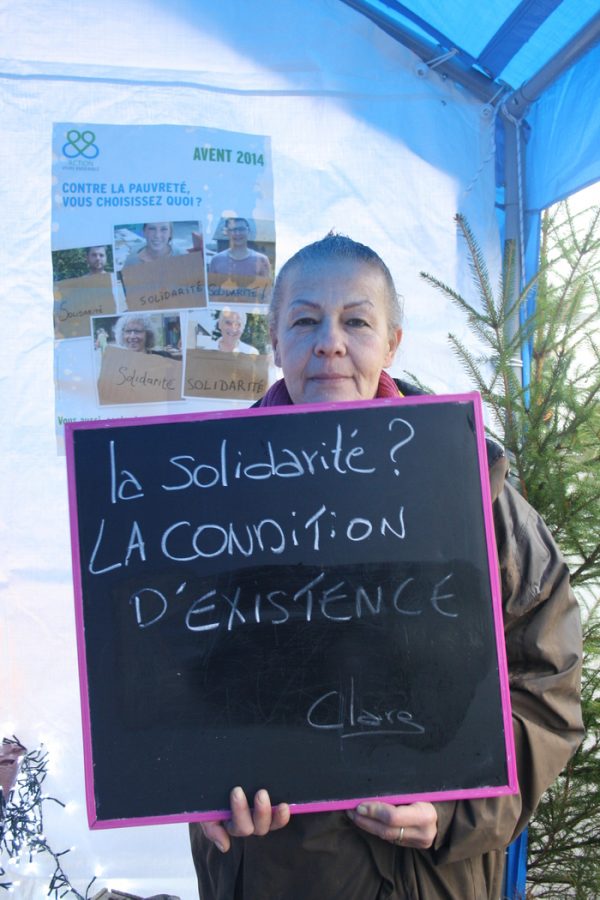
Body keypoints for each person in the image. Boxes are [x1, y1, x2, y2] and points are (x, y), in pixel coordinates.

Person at [189, 233, 583, 899]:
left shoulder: (471, 486)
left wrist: (462, 808)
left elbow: (548, 682)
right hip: (272, 871)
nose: (330, 344)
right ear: (275, 342)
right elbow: (166, 681)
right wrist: (194, 790)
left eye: (357, 322)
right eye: (305, 321)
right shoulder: (202, 492)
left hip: (429, 877)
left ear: (391, 343)